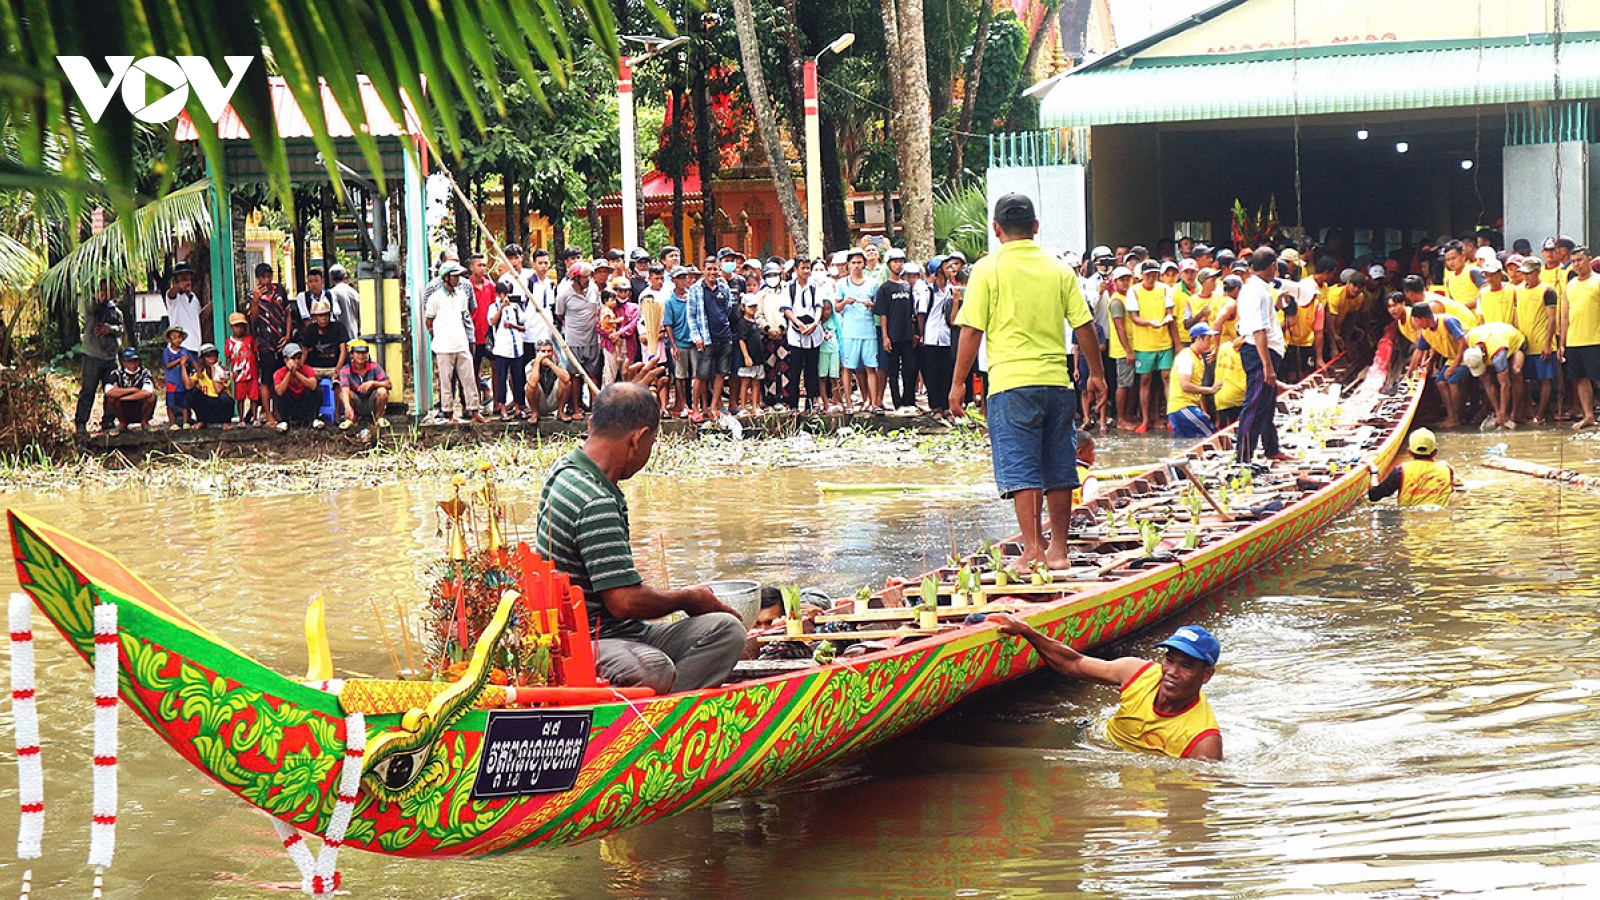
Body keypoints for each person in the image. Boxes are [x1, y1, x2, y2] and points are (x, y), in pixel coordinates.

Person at [534, 381, 745, 693]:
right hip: (591, 641)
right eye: (652, 442)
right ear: (639, 438)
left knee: (727, 631)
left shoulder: (563, 469)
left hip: (618, 633)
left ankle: (668, 701)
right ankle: (663, 720)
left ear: (592, 423)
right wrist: (690, 598)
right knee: (654, 668)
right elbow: (624, 602)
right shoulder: (595, 501)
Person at [949, 193, 1105, 571]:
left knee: (1022, 467)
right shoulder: (1059, 269)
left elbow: (971, 331)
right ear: (1035, 227)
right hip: (1057, 381)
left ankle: (1034, 549)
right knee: (1059, 465)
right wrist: (1097, 375)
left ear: (996, 228)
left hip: (1011, 383)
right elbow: (1083, 325)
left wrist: (957, 385)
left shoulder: (987, 269)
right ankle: (1060, 552)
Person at [990, 614, 1222, 760]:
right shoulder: (1136, 672)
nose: (1172, 672)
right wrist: (1026, 631)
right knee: (1003, 737)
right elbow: (1074, 663)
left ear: (1206, 676)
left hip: (1133, 782)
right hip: (1091, 737)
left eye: (1186, 666)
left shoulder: (1204, 742)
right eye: (1169, 660)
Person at [1237, 247, 1290, 464]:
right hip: (1260, 353)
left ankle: (1271, 447)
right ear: (1272, 267)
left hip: (1265, 351)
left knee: (1267, 404)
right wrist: (1268, 367)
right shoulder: (1257, 291)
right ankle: (1242, 459)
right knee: (1255, 404)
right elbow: (1259, 331)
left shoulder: (1259, 288)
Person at [425, 261, 487, 424]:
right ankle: (449, 413)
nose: (458, 279)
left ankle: (475, 410)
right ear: (446, 277)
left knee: (469, 379)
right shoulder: (434, 298)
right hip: (444, 346)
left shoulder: (461, 296)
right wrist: (436, 334)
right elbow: (428, 320)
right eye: (455, 276)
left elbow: (465, 315)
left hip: (461, 343)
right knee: (446, 381)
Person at [1128, 260, 1179, 433]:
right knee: (1145, 380)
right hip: (1144, 344)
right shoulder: (1134, 291)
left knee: (1167, 378)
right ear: (1142, 274)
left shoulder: (1165, 289)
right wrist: (1150, 323)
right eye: (1148, 274)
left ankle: (1172, 418)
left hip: (1164, 341)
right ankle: (1145, 419)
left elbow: (1170, 313)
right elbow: (1134, 317)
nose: (1151, 278)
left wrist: (1166, 319)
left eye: (1154, 274)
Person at [686, 256, 736, 421]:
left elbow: (727, 308)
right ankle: (695, 408)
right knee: (701, 375)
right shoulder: (696, 289)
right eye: (709, 269)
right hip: (705, 338)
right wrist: (697, 336)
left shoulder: (724, 287)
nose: (712, 272)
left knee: (721, 374)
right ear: (703, 270)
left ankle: (714, 407)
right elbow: (691, 316)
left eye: (715, 269)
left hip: (724, 336)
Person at [1512, 256, 1560, 424]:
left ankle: (1540, 414)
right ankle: (1529, 411)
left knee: (1544, 380)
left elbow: (1552, 319)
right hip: (1524, 342)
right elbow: (1516, 316)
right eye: (1524, 274)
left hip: (1542, 343)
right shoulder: (1517, 290)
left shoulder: (1547, 291)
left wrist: (1548, 344)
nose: (1526, 277)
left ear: (1537, 272)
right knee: (1524, 379)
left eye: (1529, 274)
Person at [1408, 303, 1471, 428]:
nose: (1417, 325)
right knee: (1440, 382)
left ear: (1423, 318)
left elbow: (1463, 342)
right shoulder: (1426, 332)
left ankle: (1457, 417)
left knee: (1453, 381)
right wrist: (1411, 369)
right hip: (1452, 358)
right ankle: (1451, 415)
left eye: (1417, 321)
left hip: (1467, 355)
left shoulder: (1448, 321)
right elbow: (1420, 350)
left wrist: (1454, 366)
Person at [780, 257, 830, 413]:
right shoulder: (789, 287)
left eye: (809, 268)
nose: (807, 271)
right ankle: (793, 405)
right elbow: (786, 308)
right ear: (796, 269)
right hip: (796, 333)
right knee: (794, 371)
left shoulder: (814, 287)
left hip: (813, 332)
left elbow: (819, 306)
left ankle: (810, 404)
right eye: (803, 268)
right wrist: (797, 323)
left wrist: (815, 323)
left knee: (811, 371)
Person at [835, 248, 882, 413]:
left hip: (868, 331)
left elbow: (878, 306)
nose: (856, 266)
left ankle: (874, 404)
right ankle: (848, 403)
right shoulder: (842, 283)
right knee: (848, 368)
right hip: (849, 332)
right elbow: (837, 307)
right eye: (853, 263)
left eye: (859, 262)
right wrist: (845, 302)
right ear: (848, 265)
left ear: (864, 264)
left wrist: (871, 305)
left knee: (871, 367)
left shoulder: (872, 283)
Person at [75, 283, 125, 435]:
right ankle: (81, 422)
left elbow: (121, 329)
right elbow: (89, 309)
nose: (108, 292)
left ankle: (108, 420)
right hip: (93, 355)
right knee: (88, 390)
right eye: (104, 289)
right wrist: (99, 298)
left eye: (111, 289)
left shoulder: (116, 311)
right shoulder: (91, 306)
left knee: (111, 389)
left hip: (111, 356)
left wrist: (109, 329)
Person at [554, 261, 604, 412]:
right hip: (574, 340)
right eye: (584, 277)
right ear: (575, 279)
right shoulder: (564, 294)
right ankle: (575, 407)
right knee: (575, 375)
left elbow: (599, 308)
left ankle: (595, 409)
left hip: (593, 339)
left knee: (593, 374)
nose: (587, 280)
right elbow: (560, 314)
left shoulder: (593, 289)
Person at [248, 263, 291, 429]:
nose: (266, 280)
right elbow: (253, 318)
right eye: (263, 276)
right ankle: (268, 412)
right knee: (266, 379)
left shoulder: (279, 290)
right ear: (257, 278)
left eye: (268, 276)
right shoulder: (253, 294)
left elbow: (287, 314)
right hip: (264, 343)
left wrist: (287, 335)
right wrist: (256, 300)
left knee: (279, 376)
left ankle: (277, 410)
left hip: (280, 341)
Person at [1561, 245, 1600, 429]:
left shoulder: (1598, 281)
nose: (1576, 264)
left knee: (1598, 378)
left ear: (1589, 260)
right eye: (1573, 261)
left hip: (1596, 339)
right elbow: (1565, 316)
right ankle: (1589, 416)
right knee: (1580, 379)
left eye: (1580, 260)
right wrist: (1562, 344)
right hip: (1574, 341)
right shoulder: (1570, 285)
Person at [1367, 428, 1457, 506]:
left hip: (1407, 519)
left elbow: (1374, 496)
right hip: (1441, 522)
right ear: (1435, 452)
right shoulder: (1447, 470)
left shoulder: (1400, 471)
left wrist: (1374, 472)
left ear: (1409, 452)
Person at [876, 248, 919, 412]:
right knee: (893, 370)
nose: (898, 265)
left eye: (901, 261)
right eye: (895, 262)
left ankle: (910, 400)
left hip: (907, 335)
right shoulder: (885, 288)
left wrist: (915, 332)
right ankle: (897, 402)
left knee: (910, 368)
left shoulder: (908, 286)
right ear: (889, 264)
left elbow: (911, 313)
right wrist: (885, 336)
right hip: (893, 335)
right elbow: (883, 314)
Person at [1462, 322, 1525, 429]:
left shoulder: (1498, 355)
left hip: (1514, 342)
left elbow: (1505, 385)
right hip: (1490, 338)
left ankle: (1514, 413)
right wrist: (1498, 412)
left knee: (1516, 372)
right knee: (1486, 378)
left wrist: (1502, 413)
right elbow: (1486, 380)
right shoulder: (1469, 339)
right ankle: (1497, 412)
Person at [918, 257, 957, 419]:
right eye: (948, 267)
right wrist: (921, 334)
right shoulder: (928, 291)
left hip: (946, 336)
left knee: (946, 371)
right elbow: (922, 314)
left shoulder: (951, 290)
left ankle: (946, 406)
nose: (952, 270)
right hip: (932, 336)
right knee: (932, 372)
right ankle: (935, 406)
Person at [1169, 323, 1220, 439]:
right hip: (1182, 407)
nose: (1211, 342)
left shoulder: (1199, 358)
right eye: (1208, 339)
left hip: (1189, 407)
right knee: (1213, 435)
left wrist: (1203, 410)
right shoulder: (1186, 357)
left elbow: (1196, 387)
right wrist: (1210, 390)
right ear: (1199, 338)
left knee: (1187, 442)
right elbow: (1185, 385)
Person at [487, 280, 527, 418]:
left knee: (518, 378)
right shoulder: (493, 307)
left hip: (517, 348)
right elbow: (492, 321)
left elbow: (524, 326)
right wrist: (501, 308)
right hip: (502, 348)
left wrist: (512, 326)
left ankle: (517, 407)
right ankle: (502, 407)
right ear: (498, 294)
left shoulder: (516, 308)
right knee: (501, 378)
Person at [662, 265, 696, 418]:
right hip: (680, 343)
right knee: (680, 376)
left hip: (694, 342)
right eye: (680, 278)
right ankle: (682, 405)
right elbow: (668, 325)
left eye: (685, 277)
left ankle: (695, 405)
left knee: (698, 375)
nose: (683, 280)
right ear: (673, 280)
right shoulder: (670, 302)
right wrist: (673, 345)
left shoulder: (693, 298)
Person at [338, 339, 392, 429]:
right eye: (357, 353)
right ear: (351, 354)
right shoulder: (345, 370)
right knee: (343, 394)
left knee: (382, 391)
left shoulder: (374, 366)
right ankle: (353, 419)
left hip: (371, 401)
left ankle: (378, 418)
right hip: (357, 401)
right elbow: (345, 389)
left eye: (363, 353)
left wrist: (373, 383)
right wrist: (347, 407)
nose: (361, 356)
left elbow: (389, 384)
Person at [102, 348, 156, 432]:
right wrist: (133, 390)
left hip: (139, 406)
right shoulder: (116, 373)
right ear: (124, 363)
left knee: (151, 397)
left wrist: (122, 396)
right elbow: (109, 391)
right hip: (123, 408)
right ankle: (122, 423)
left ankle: (144, 422)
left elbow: (147, 392)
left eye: (135, 361)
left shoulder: (145, 373)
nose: (133, 364)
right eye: (130, 361)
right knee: (111, 399)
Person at [182, 343, 235, 428]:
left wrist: (214, 368)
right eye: (208, 356)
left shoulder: (224, 373)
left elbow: (218, 389)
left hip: (220, 407)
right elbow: (188, 386)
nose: (212, 359)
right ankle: (202, 421)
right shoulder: (200, 374)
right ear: (202, 360)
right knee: (191, 393)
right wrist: (183, 366)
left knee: (224, 398)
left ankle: (226, 422)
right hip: (207, 408)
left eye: (214, 356)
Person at [297, 299, 349, 380]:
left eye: (326, 315)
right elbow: (304, 351)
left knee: (339, 383)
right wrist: (301, 368)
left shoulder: (338, 327)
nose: (324, 318)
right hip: (316, 368)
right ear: (314, 317)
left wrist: (338, 368)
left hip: (334, 367)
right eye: (320, 315)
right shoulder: (310, 329)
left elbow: (343, 349)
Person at [273, 343, 321, 428]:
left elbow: (313, 385)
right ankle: (285, 421)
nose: (297, 361)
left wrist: (297, 373)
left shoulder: (307, 369)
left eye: (299, 358)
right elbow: (279, 392)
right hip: (290, 404)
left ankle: (313, 418)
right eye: (293, 358)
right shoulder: (279, 373)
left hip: (304, 403)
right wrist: (289, 373)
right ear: (286, 360)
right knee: (278, 392)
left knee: (317, 390)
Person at [524, 340, 572, 424]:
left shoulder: (557, 362)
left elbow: (566, 378)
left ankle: (560, 412)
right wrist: (538, 362)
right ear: (537, 353)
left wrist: (551, 364)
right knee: (529, 386)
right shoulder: (531, 365)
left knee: (566, 383)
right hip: (538, 400)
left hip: (553, 400)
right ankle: (535, 413)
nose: (546, 354)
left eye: (549, 351)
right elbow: (532, 383)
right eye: (543, 351)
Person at [225, 312, 260, 425]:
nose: (240, 328)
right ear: (231, 327)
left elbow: (255, 353)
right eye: (237, 326)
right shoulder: (229, 342)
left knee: (254, 397)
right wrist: (226, 369)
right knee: (240, 398)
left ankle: (255, 418)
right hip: (238, 374)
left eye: (242, 326)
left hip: (252, 373)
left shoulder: (250, 339)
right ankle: (241, 419)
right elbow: (228, 358)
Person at [164, 263, 208, 352]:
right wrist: (180, 286)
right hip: (178, 347)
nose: (184, 276)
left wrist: (213, 304)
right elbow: (171, 293)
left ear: (191, 276)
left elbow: (199, 317)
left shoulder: (194, 298)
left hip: (195, 346)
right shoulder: (174, 297)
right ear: (176, 277)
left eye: (187, 274)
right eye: (180, 274)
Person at [735, 295, 766, 415]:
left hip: (758, 357)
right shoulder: (742, 323)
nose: (753, 309)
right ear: (743, 307)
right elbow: (741, 340)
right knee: (745, 382)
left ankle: (755, 406)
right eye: (750, 306)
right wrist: (746, 356)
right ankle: (742, 407)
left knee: (756, 382)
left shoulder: (755, 322)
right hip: (748, 357)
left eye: (754, 306)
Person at [160, 324, 194, 429]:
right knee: (170, 403)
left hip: (182, 381)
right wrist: (179, 361)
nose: (177, 340)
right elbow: (167, 365)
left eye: (179, 337)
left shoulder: (185, 351)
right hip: (171, 381)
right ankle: (172, 422)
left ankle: (186, 422)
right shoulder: (166, 352)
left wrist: (198, 370)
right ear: (169, 339)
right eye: (174, 337)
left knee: (184, 402)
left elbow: (193, 361)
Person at [325, 264, 361, 338]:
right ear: (345, 276)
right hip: (354, 333)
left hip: (338, 335)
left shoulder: (331, 293)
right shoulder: (354, 292)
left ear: (331, 279)